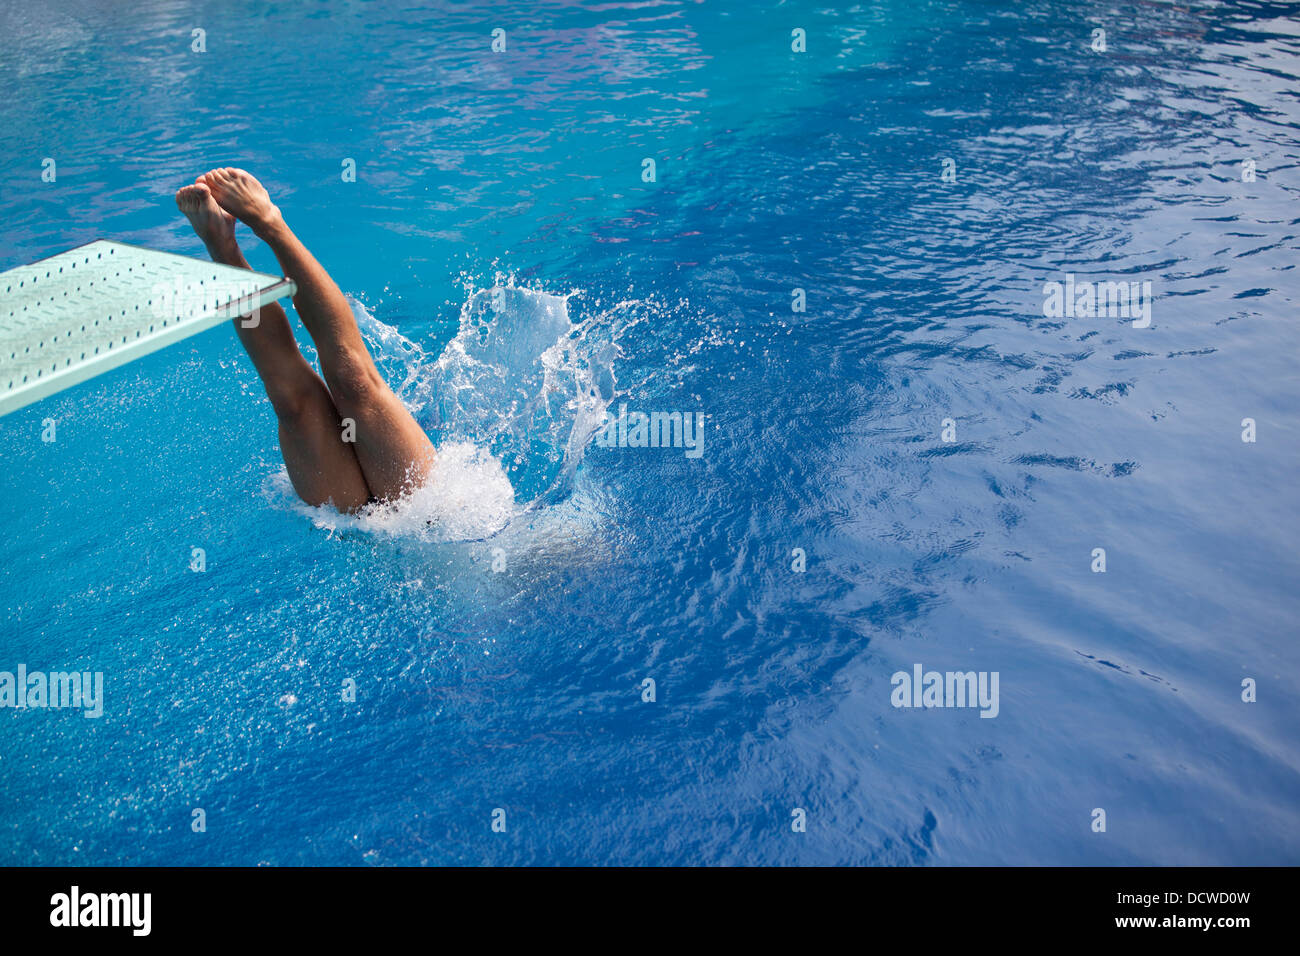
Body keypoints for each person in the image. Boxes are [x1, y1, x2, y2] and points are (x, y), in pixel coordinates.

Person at [175, 168, 434, 513]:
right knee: (353, 377)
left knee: (291, 403)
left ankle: (221, 245)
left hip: (352, 535)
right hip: (432, 516)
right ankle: (269, 223)